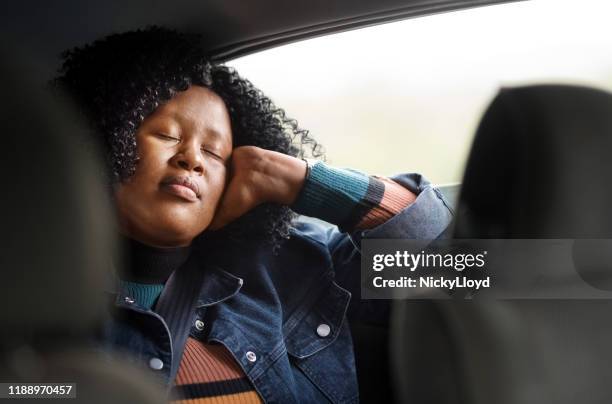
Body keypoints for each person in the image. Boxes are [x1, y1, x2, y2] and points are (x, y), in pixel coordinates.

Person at [54, 26, 453, 403]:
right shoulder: (28, 303)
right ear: (102, 142)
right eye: (167, 135)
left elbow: (474, 273)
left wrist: (300, 180)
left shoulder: (293, 268)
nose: (192, 158)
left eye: (214, 153)